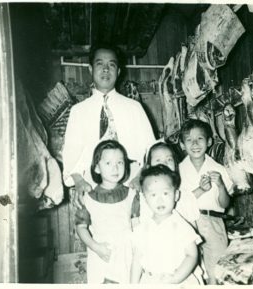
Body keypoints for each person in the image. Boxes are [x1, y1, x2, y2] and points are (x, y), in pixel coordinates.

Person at [62, 44, 155, 207]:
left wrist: (140, 177)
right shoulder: (78, 111)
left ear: (118, 72)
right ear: (90, 69)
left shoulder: (134, 107)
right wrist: (78, 181)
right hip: (91, 184)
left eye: (111, 65)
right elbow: (71, 152)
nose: (106, 69)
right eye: (100, 64)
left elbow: (151, 149)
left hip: (132, 181)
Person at [75, 140, 139, 283]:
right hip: (101, 254)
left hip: (126, 255)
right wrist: (95, 246)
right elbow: (81, 227)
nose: (115, 168)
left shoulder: (132, 195)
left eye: (120, 163)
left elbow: (136, 224)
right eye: (108, 163)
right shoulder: (88, 198)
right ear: (97, 168)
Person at [179, 119, 233, 284]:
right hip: (185, 223)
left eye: (200, 139)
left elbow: (225, 204)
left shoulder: (220, 170)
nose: (195, 143)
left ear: (209, 141)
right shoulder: (177, 170)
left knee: (216, 272)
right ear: (182, 145)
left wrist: (221, 185)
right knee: (187, 272)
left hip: (213, 222)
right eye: (189, 140)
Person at [130, 165, 203, 284]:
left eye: (165, 193)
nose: (160, 200)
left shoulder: (181, 226)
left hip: (177, 279)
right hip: (150, 280)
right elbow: (137, 260)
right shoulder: (142, 228)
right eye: (153, 195)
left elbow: (192, 255)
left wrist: (176, 278)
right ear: (145, 198)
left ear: (176, 195)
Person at [142, 141, 200, 226]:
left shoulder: (184, 195)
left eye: (169, 159)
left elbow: (193, 228)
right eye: (158, 160)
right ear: (149, 166)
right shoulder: (146, 197)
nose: (165, 163)